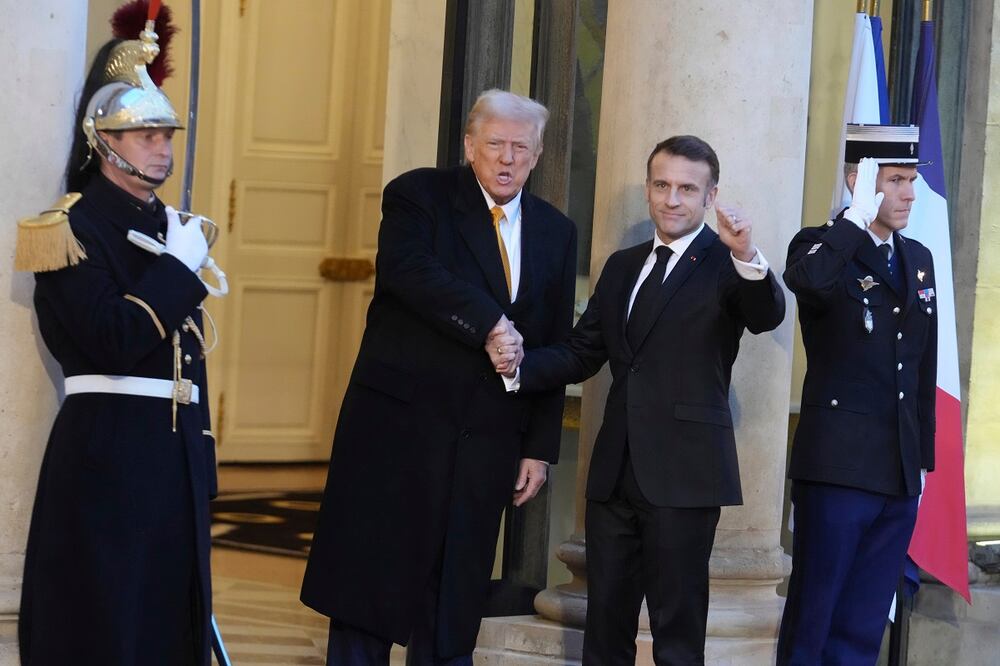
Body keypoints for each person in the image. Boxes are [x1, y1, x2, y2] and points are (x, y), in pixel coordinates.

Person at [300, 89, 578, 665]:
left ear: (537, 155)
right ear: (470, 146)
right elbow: (409, 271)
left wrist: (538, 447)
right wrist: (490, 323)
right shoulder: (419, 195)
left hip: (485, 443)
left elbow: (552, 341)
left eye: (520, 148)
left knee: (452, 606)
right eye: (495, 144)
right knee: (368, 596)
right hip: (398, 434)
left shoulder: (556, 230)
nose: (507, 158)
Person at [488, 135, 786, 665]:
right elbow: (583, 352)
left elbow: (767, 314)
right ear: (648, 188)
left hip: (685, 475)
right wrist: (518, 365)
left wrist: (746, 253)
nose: (672, 199)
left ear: (711, 196)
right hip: (615, 474)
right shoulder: (623, 265)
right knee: (605, 627)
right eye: (661, 185)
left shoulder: (728, 263)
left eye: (687, 189)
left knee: (677, 629)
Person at [16, 15, 220, 666]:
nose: (161, 149)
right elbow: (111, 338)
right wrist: (178, 270)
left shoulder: (170, 226)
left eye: (166, 135)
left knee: (169, 628)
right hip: (108, 452)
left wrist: (203, 457)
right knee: (107, 623)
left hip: (174, 455)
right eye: (145, 135)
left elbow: (188, 362)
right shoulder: (70, 229)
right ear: (104, 141)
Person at [777, 124, 937, 664]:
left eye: (912, 180)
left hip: (897, 470)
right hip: (838, 468)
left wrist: (921, 461)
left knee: (864, 623)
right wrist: (855, 219)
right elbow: (808, 283)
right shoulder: (820, 246)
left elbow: (921, 367)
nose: (910, 194)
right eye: (895, 181)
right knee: (815, 615)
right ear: (859, 181)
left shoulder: (917, 258)